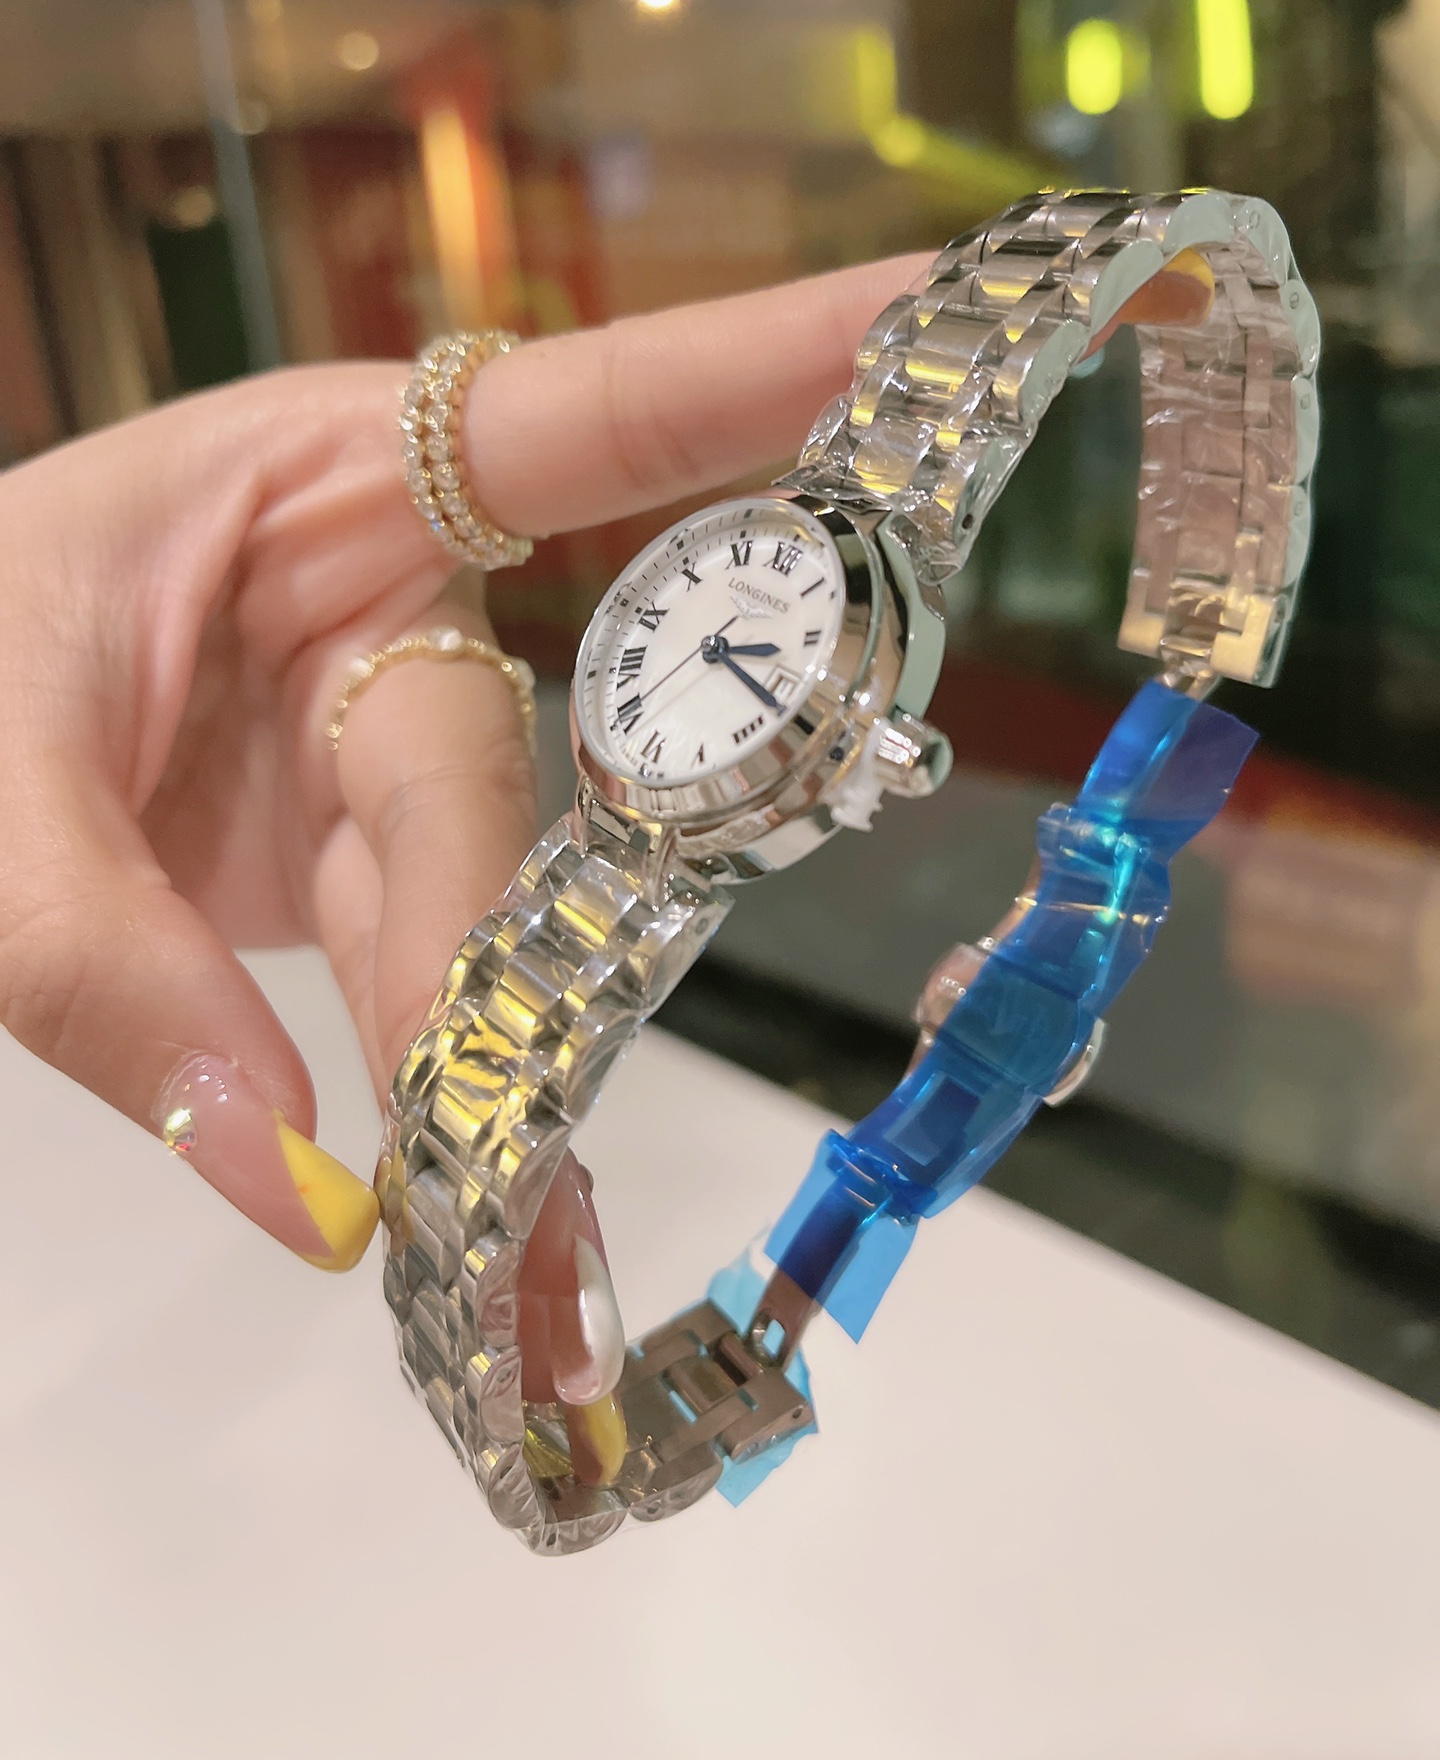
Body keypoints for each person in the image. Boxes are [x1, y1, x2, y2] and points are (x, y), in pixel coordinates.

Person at [0, 246, 1203, 1478]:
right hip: (648, 792)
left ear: (876, 747)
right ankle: (566, 1441)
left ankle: (1215, 628)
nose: (722, 650)